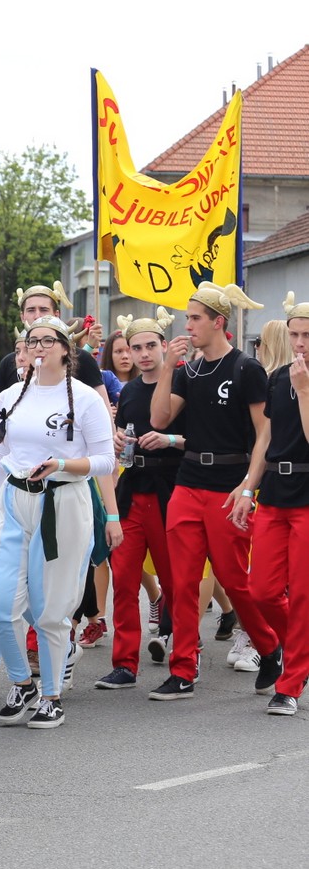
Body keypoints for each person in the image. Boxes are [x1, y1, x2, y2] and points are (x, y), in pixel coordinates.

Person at [0, 316, 120, 730]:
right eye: (31, 340)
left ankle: (52, 695)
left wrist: (62, 464)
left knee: (51, 610)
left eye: (47, 340)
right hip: (15, 502)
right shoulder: (11, 395)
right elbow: (2, 454)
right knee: (0, 607)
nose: (38, 347)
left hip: (64, 502)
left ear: (66, 348)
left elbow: (106, 460)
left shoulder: (84, 399)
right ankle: (22, 683)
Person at [147, 283, 281, 701]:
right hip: (188, 482)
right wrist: (168, 368)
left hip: (229, 485)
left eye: (194, 318)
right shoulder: (188, 371)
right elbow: (159, 419)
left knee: (234, 580)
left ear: (218, 322)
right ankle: (183, 669)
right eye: (187, 318)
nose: (188, 326)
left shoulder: (246, 368)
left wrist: (249, 486)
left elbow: (265, 433)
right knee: (183, 582)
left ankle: (270, 647)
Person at [96, 311, 181, 691]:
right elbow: (120, 438)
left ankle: (184, 654)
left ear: (164, 346)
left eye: (150, 346)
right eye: (136, 347)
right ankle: (125, 664)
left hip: (170, 491)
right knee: (125, 580)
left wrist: (171, 440)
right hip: (132, 491)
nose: (144, 354)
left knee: (176, 580)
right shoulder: (128, 391)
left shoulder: (182, 383)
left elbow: (201, 439)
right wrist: (116, 439)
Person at [250, 294, 309, 715]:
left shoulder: (299, 381)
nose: (300, 343)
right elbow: (265, 438)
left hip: (307, 496)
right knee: (262, 590)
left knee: (302, 594)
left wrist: (304, 391)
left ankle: (290, 683)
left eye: (307, 335)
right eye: (295, 335)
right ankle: (300, 652)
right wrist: (247, 488)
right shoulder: (278, 377)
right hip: (273, 492)